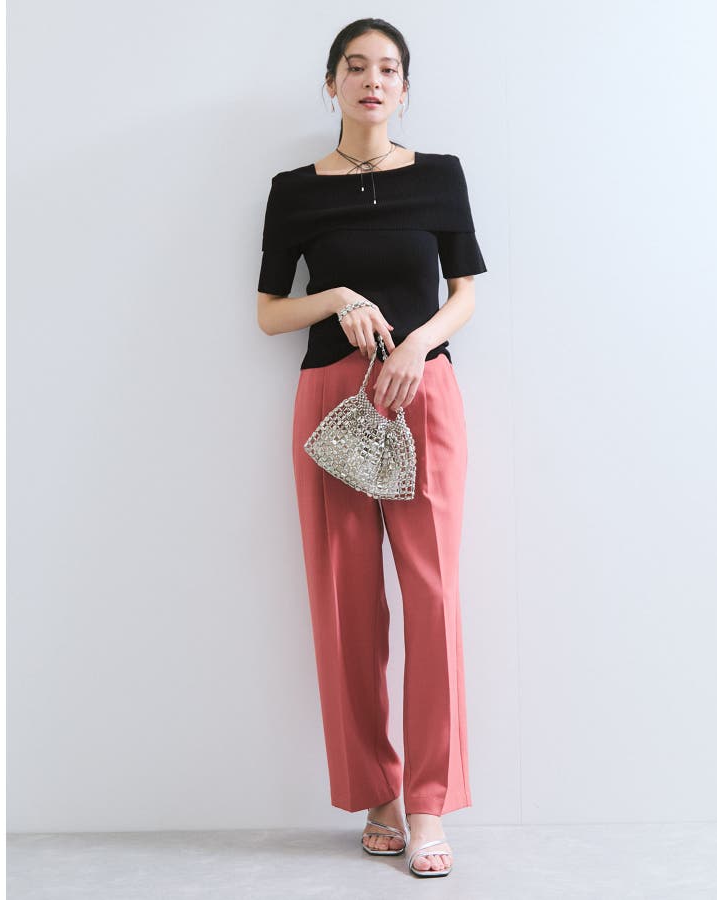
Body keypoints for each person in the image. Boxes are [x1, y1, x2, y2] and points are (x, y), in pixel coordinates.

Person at [255, 18, 487, 879]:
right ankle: (377, 796)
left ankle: (429, 804)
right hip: (331, 402)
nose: (372, 80)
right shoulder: (294, 191)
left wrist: (420, 344)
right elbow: (269, 311)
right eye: (355, 67)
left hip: (423, 396)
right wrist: (337, 297)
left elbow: (465, 292)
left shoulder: (440, 176)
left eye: (388, 68)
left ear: (404, 87)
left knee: (434, 599)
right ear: (332, 84)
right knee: (347, 605)